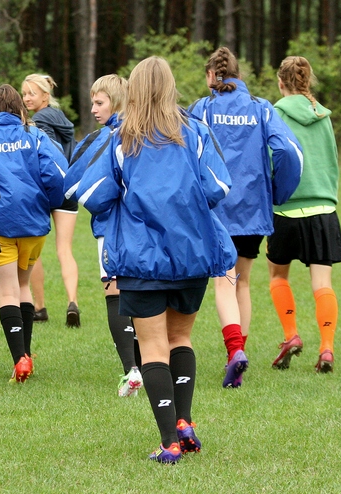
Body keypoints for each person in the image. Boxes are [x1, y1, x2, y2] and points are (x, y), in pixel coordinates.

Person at [77, 57, 236, 463]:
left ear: (133, 90)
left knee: (152, 346)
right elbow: (219, 186)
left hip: (140, 258)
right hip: (191, 256)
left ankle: (169, 442)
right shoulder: (195, 131)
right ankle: (184, 423)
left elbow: (90, 193)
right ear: (170, 87)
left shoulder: (120, 137)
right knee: (180, 339)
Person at [188, 47, 303, 388]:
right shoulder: (261, 107)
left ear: (212, 76)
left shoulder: (203, 108)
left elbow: (184, 151)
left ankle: (235, 351)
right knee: (243, 282)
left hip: (216, 209)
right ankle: (238, 354)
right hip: (252, 209)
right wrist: (277, 191)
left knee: (224, 280)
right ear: (239, 75)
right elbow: (288, 150)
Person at [0, 84, 66, 383]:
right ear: (19, 107)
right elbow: (57, 175)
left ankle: (20, 360)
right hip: (32, 223)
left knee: (7, 293)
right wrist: (49, 204)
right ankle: (25, 356)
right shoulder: (35, 135)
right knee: (23, 286)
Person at [64, 74, 143, 397]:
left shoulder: (103, 138)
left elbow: (73, 182)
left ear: (117, 102)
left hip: (111, 228)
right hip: (145, 229)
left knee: (115, 293)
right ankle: (150, 365)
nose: (94, 109)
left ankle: (132, 370)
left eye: (99, 102)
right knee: (144, 295)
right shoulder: (148, 133)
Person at [267, 56, 341, 373]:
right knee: (322, 283)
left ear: (280, 83)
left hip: (286, 209)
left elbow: (271, 158)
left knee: (277, 275)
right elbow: (332, 160)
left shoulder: (274, 114)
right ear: (307, 81)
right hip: (323, 210)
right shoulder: (322, 115)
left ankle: (291, 335)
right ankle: (327, 349)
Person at [21, 73, 80, 327]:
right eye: (24, 94)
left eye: (32, 93)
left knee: (34, 252)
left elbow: (44, 155)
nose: (26, 98)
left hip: (46, 189)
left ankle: (39, 307)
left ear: (45, 95)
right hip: (68, 189)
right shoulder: (63, 119)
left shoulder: (38, 121)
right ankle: (72, 301)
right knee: (65, 249)